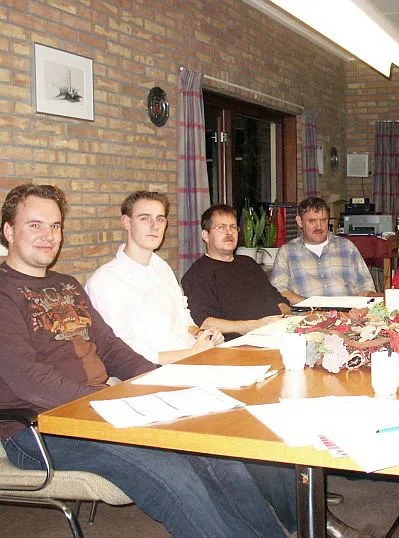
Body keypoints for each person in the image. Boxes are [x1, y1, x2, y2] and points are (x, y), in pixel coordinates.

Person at [0, 184, 297, 537]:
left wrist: (157, 383)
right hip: (37, 428)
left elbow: (110, 347)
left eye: (55, 226)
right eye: (35, 225)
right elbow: (28, 379)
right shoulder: (5, 293)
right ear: (9, 231)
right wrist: (108, 400)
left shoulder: (67, 285)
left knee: (216, 453)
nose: (49, 235)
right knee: (175, 477)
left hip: (96, 410)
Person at [85, 191, 223, 364]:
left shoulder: (161, 266)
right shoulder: (106, 281)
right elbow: (123, 354)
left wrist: (201, 334)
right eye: (145, 218)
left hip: (190, 356)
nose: (154, 226)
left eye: (160, 219)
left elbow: (183, 317)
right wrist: (192, 353)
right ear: (126, 222)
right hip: (152, 369)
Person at [182, 204, 291, 340]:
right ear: (205, 235)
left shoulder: (248, 263)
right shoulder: (198, 274)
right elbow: (203, 322)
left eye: (233, 227)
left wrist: (288, 319)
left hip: (279, 334)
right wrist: (254, 326)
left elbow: (278, 300)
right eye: (221, 227)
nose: (229, 232)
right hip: (239, 344)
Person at [271, 197, 376, 304]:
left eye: (323, 220)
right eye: (312, 221)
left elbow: (366, 286)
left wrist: (359, 307)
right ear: (300, 222)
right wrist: (314, 306)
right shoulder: (287, 252)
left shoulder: (347, 247)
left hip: (348, 311)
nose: (319, 227)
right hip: (307, 312)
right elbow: (280, 292)